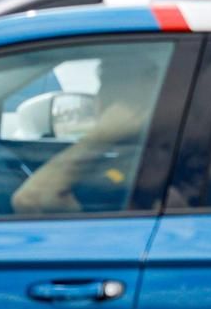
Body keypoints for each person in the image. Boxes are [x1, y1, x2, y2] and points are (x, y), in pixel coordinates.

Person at [9, 51, 163, 215]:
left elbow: (30, 200)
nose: (98, 97)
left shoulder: (146, 167)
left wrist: (100, 137)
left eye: (107, 85)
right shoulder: (136, 160)